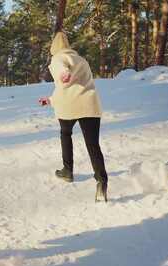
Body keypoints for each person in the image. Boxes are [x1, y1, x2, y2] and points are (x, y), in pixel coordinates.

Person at [38, 32, 108, 202]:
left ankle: (67, 171)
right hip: (89, 103)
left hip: (68, 105)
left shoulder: (58, 58)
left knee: (65, 133)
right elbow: (80, 82)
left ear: (54, 48)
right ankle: (101, 181)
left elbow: (63, 70)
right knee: (93, 144)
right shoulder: (81, 60)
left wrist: (64, 75)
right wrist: (51, 99)